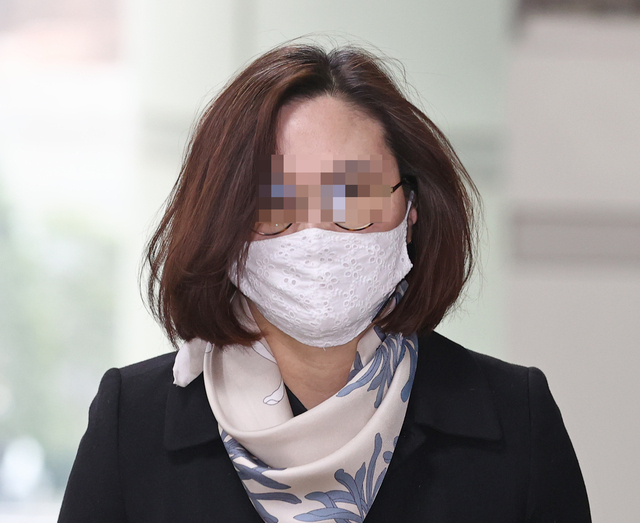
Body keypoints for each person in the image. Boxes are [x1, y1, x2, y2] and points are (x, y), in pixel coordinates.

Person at [58, 43, 591, 522]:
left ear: (411, 212)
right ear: (224, 222)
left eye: (353, 194)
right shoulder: (133, 423)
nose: (315, 234)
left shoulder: (515, 419)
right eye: (275, 201)